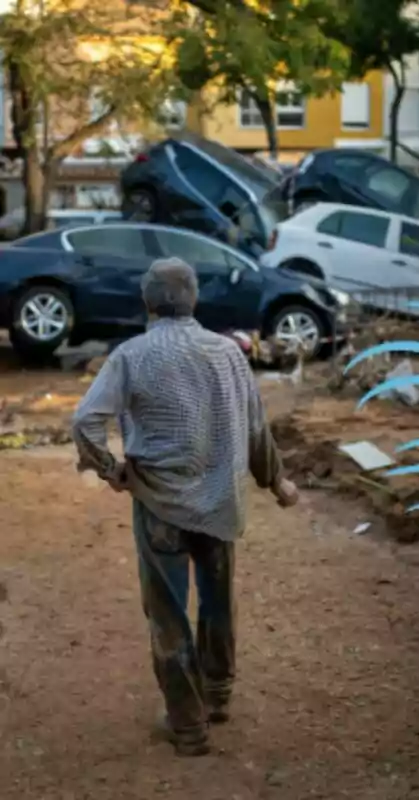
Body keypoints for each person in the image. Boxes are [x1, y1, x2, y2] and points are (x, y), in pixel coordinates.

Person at [71, 257, 300, 757]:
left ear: (147, 302)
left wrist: (112, 472)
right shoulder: (229, 354)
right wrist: (276, 480)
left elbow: (86, 423)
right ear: (194, 299)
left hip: (159, 504)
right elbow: (256, 428)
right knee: (218, 602)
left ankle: (188, 723)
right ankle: (217, 695)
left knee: (168, 613)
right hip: (221, 502)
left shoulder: (131, 356)